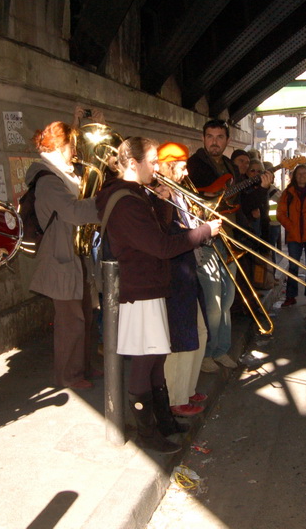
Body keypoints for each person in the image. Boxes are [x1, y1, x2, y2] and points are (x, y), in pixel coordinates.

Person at [96, 137, 220, 453]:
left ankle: (163, 420)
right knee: (145, 360)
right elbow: (163, 247)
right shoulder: (126, 201)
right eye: (152, 161)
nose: (156, 167)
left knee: (156, 357)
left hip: (151, 285)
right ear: (134, 163)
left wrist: (164, 202)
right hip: (140, 290)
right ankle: (146, 434)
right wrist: (205, 232)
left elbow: (160, 233)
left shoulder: (138, 195)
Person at [187, 120, 271, 371]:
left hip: (230, 237)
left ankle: (221, 349)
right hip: (208, 238)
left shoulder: (231, 167)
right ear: (203, 139)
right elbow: (202, 196)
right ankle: (206, 355)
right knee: (212, 301)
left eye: (219, 137)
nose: (214, 141)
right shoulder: (194, 164)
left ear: (227, 140)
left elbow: (242, 202)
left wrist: (262, 189)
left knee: (227, 298)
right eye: (210, 136)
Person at [27, 121, 100, 390]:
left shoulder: (65, 174)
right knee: (70, 321)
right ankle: (68, 376)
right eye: (72, 145)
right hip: (59, 255)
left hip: (73, 253)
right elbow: (74, 212)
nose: (76, 151)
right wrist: (104, 202)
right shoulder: (48, 178)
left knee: (85, 316)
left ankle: (84, 367)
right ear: (61, 145)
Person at [154, 142, 208, 416]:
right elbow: (168, 234)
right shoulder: (157, 192)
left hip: (187, 268)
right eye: (182, 165)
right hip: (173, 272)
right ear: (167, 164)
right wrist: (203, 232)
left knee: (199, 332)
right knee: (180, 338)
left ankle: (186, 388)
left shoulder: (178, 191)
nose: (186, 170)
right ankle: (175, 397)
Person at [276, 164, 306, 307]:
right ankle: (290, 297)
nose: (302, 176)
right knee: (293, 267)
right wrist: (291, 227)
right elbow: (280, 213)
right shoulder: (288, 193)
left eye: (304, 173)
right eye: (299, 173)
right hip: (294, 236)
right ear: (294, 176)